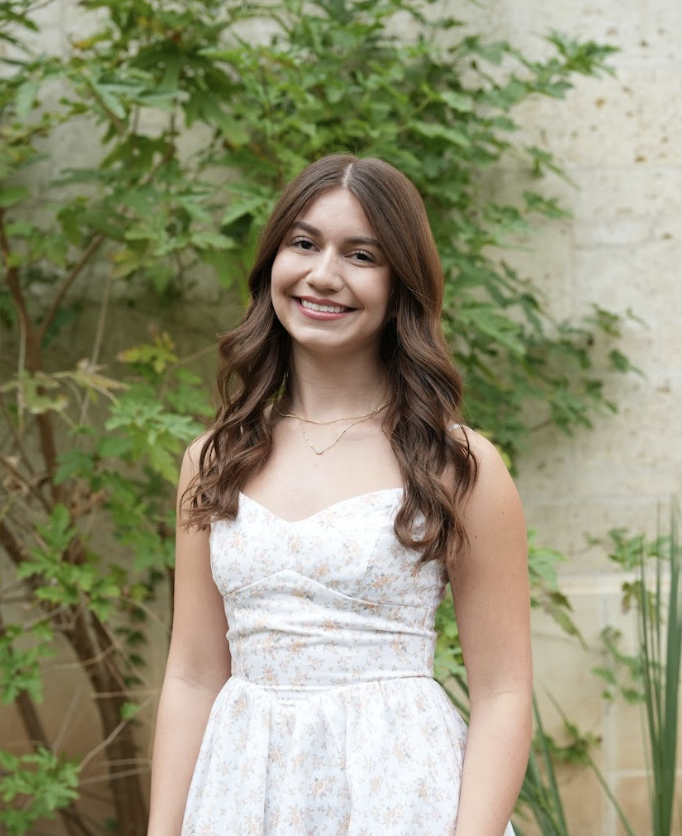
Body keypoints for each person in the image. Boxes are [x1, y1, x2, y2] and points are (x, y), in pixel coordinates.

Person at [147, 154, 532, 836]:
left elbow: (503, 693)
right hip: (244, 797)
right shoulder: (214, 460)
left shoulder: (455, 464)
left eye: (361, 255)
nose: (323, 275)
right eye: (304, 243)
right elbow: (193, 676)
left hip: (402, 799)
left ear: (400, 284)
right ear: (273, 260)